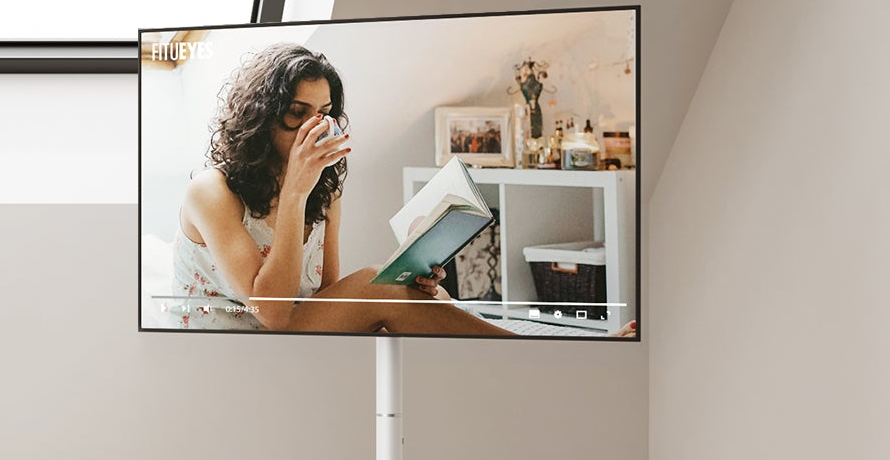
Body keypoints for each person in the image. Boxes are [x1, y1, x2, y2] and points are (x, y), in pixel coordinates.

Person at [171, 44, 590, 336]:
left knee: (424, 298)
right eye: (298, 114)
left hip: (289, 337)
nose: (316, 128)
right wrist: (294, 195)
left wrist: (412, 284)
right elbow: (273, 313)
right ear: (262, 117)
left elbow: (325, 298)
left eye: (325, 114)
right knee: (377, 284)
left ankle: (526, 353)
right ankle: (540, 352)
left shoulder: (324, 189)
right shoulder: (212, 192)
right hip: (224, 348)